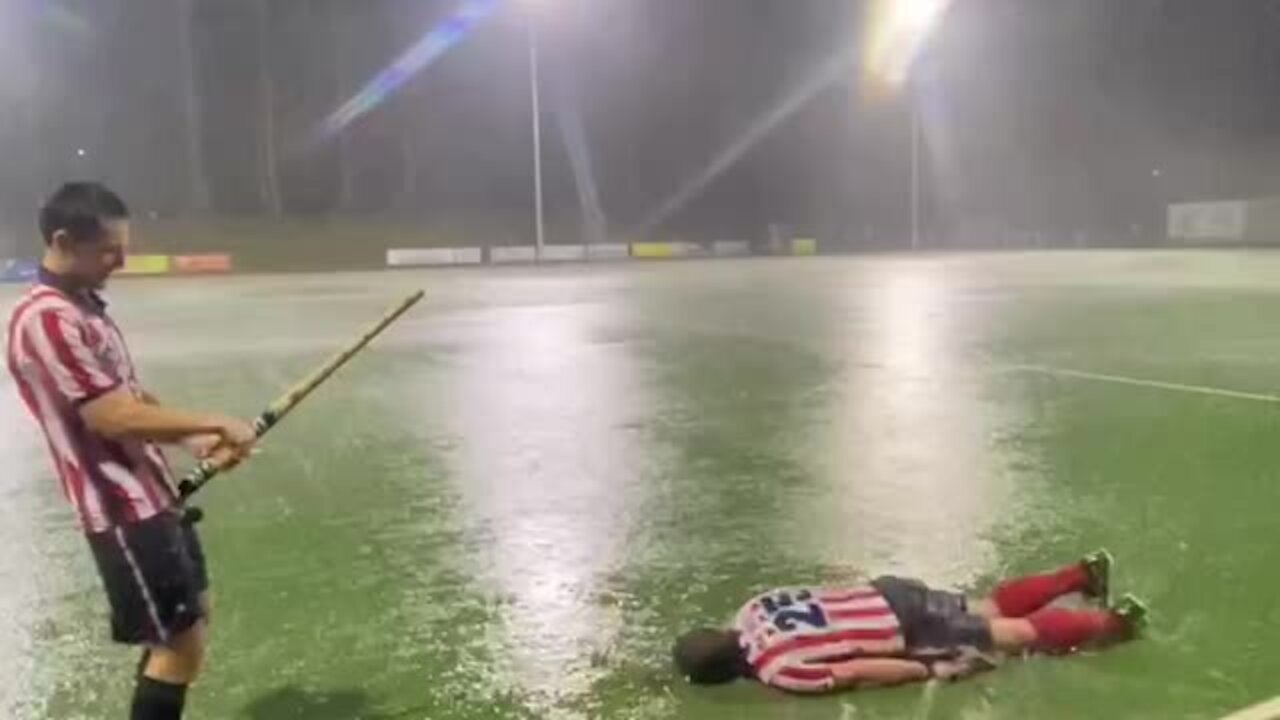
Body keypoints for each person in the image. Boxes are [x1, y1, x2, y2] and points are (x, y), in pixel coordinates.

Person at [5, 182, 258, 720]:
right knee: (177, 645)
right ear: (63, 240)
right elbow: (110, 416)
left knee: (185, 626)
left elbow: (130, 398)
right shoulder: (47, 318)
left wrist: (193, 440)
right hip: (122, 512)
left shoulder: (85, 309)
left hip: (153, 498)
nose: (121, 260)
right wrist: (214, 418)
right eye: (108, 250)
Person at [672, 550, 1148, 694]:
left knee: (1007, 636)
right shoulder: (752, 608)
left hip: (904, 627)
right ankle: (1081, 574)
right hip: (887, 591)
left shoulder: (781, 670)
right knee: (986, 609)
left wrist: (924, 671)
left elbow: (861, 671)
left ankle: (1116, 622)